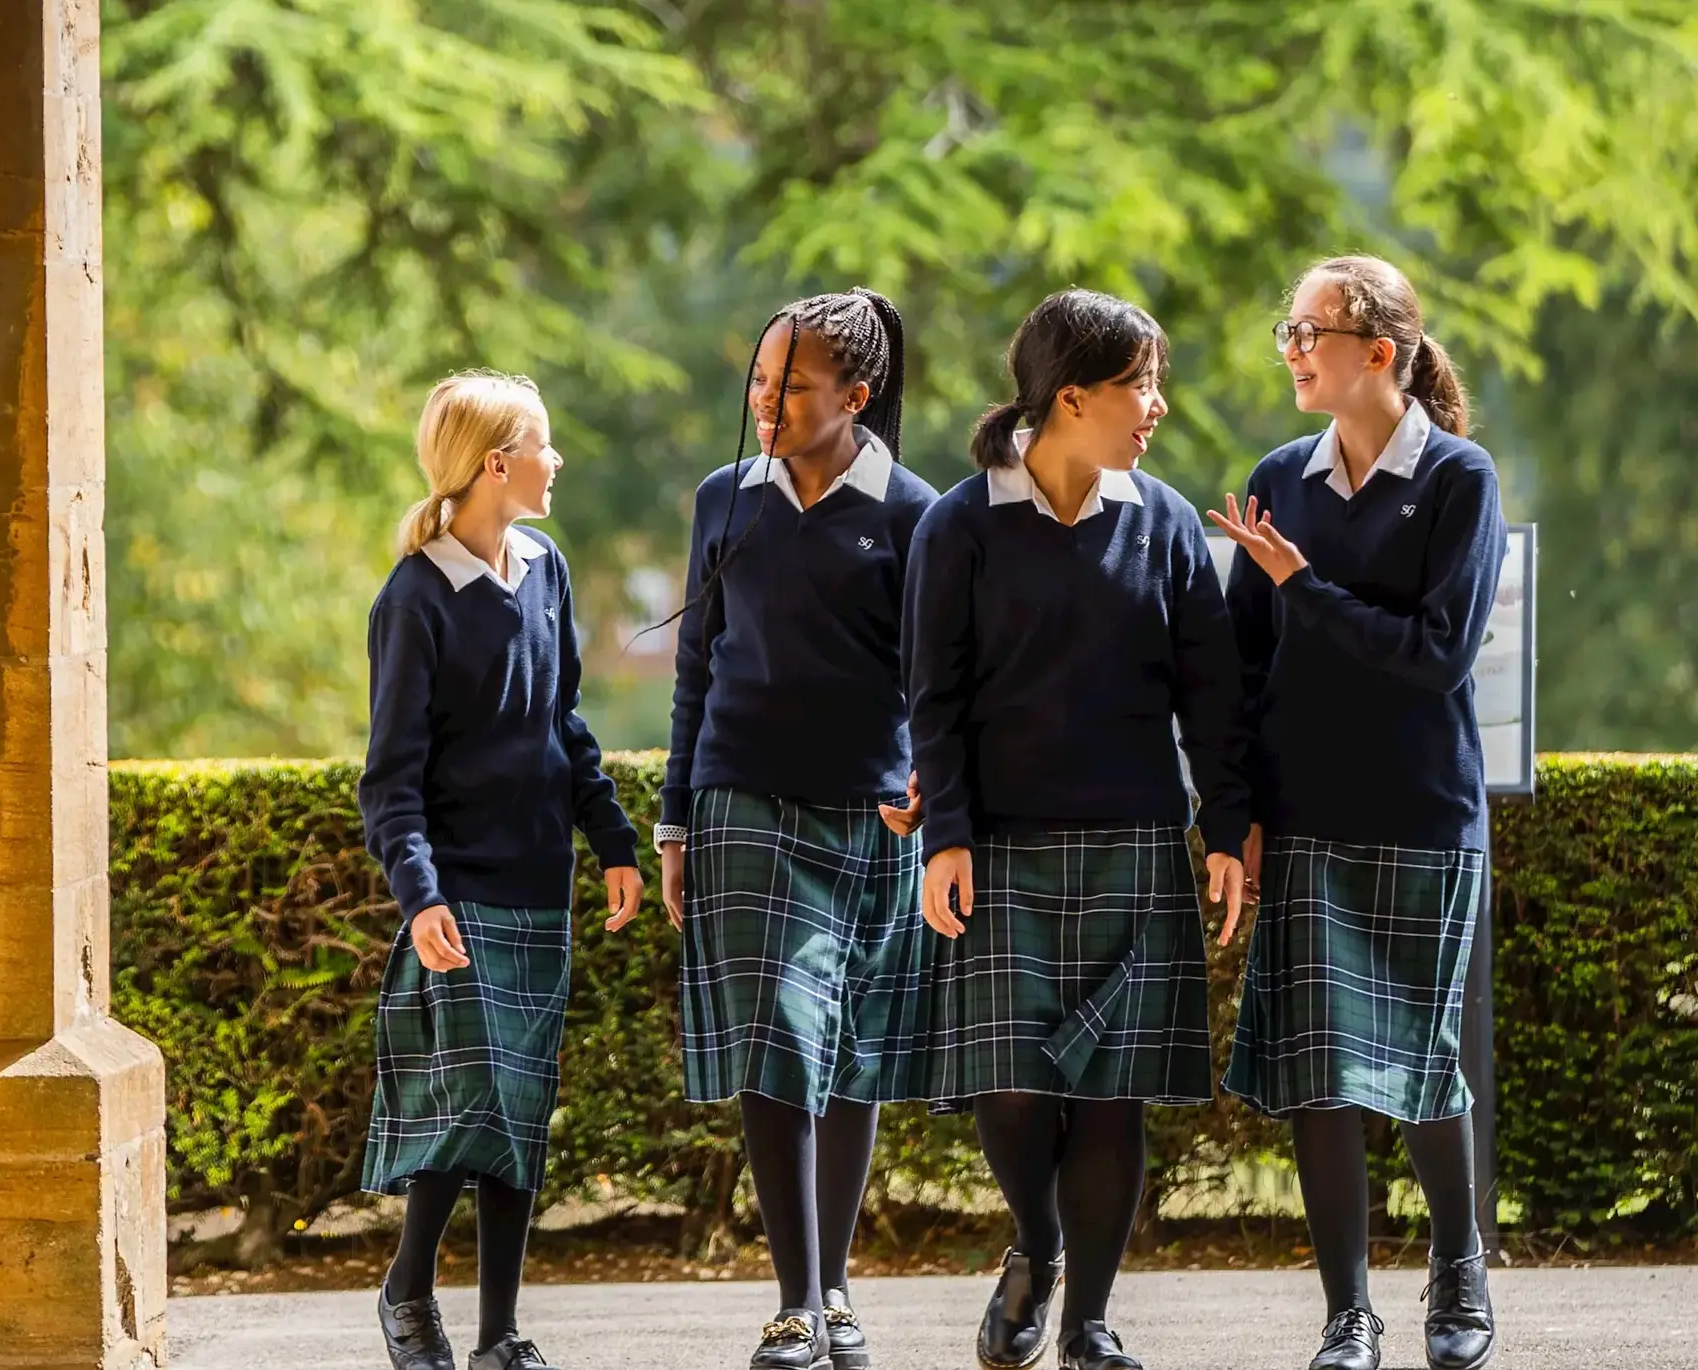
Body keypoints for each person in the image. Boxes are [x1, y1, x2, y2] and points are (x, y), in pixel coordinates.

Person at [901, 289, 1250, 1370]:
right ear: (1069, 397)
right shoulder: (959, 523)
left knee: (1111, 1093)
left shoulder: (1167, 523)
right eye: (1138, 383)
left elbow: (1212, 694)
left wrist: (1228, 828)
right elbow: (934, 697)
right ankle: (1037, 1246)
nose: (1156, 405)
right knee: (1011, 1084)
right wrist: (945, 834)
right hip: (1000, 843)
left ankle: (1090, 1323)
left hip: (1138, 841)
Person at [1213, 255, 1504, 1370]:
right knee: (1320, 1073)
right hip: (1303, 820)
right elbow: (1237, 671)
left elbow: (1431, 659)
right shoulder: (1277, 478)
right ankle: (1348, 1312)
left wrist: (1302, 585)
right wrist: (1231, 811)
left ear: (1376, 351)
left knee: (1424, 1057)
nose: (1289, 347)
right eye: (1282, 327)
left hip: (1421, 813)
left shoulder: (1459, 479)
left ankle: (1458, 1269)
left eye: (1307, 330)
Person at [658, 290, 941, 1370]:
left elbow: (940, 682)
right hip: (741, 802)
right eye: (760, 382)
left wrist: (933, 784)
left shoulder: (918, 512)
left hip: (868, 817)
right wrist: (675, 818)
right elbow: (693, 664)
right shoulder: (722, 499)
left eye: (793, 386)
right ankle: (791, 1303)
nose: (766, 402)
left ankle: (832, 1287)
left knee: (852, 1051)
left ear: (856, 396)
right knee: (778, 1036)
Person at [359, 370, 646, 1370]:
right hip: (462, 892)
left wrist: (610, 837)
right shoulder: (413, 600)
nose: (555, 460)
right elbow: (388, 776)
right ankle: (406, 1286)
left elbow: (561, 723)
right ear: (496, 462)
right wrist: (419, 892)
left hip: (537, 885)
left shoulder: (546, 569)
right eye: (543, 443)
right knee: (474, 1099)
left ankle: (496, 1337)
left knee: (519, 1111)